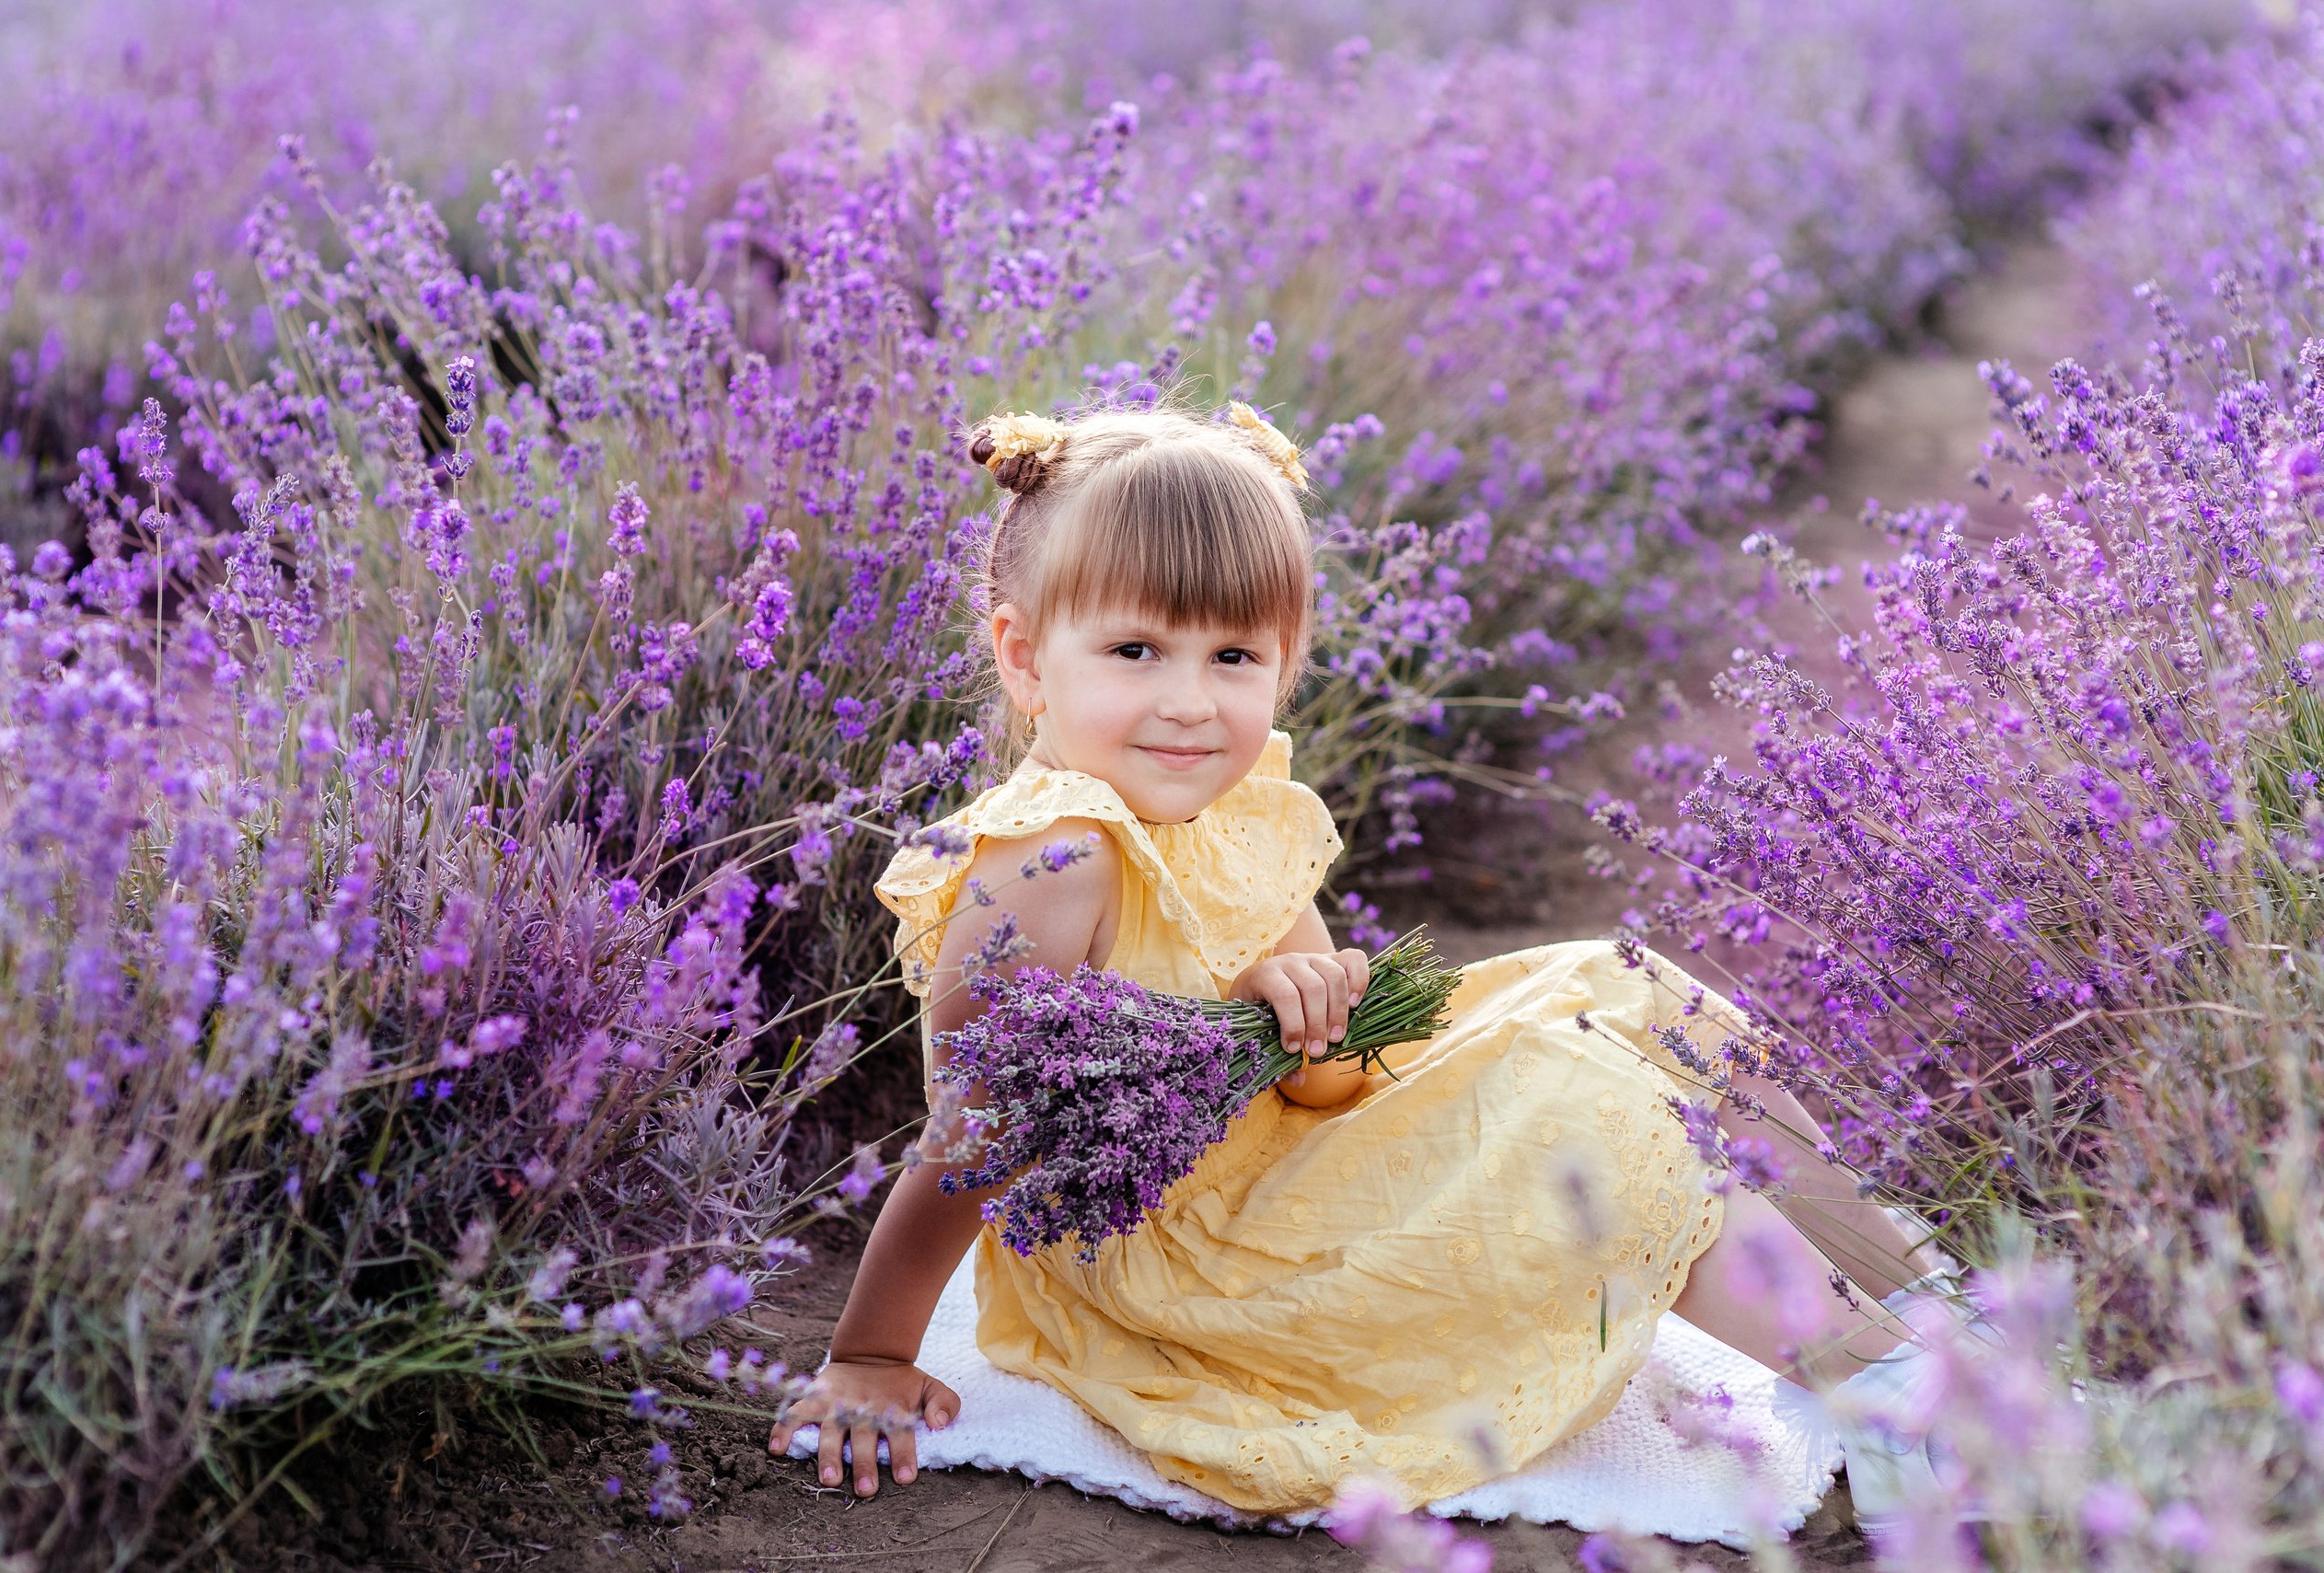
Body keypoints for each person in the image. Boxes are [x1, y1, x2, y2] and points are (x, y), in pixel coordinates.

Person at [766, 400, 1948, 1525]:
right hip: (1181, 1247)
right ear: (1024, 657)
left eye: (1233, 655)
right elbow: (975, 1130)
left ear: (1285, 662)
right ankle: (1895, 1395)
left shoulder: (1244, 813)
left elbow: (1333, 1081)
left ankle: (1919, 1307)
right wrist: (872, 1349)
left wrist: (1303, 1016)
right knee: (1589, 1116)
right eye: (1134, 647)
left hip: (1289, 1152)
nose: (1189, 701)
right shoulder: (1053, 863)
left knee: (1622, 987)